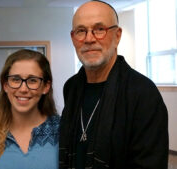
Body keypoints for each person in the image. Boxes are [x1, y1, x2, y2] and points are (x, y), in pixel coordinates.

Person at [59, 1, 169, 169]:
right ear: (73, 38)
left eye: (99, 29)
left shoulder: (143, 93)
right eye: (81, 31)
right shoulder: (71, 87)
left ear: (117, 35)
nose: (89, 39)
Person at [0, 49, 60, 169]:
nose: (23, 89)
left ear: (45, 87)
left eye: (32, 80)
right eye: (16, 79)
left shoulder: (62, 129)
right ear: (5, 85)